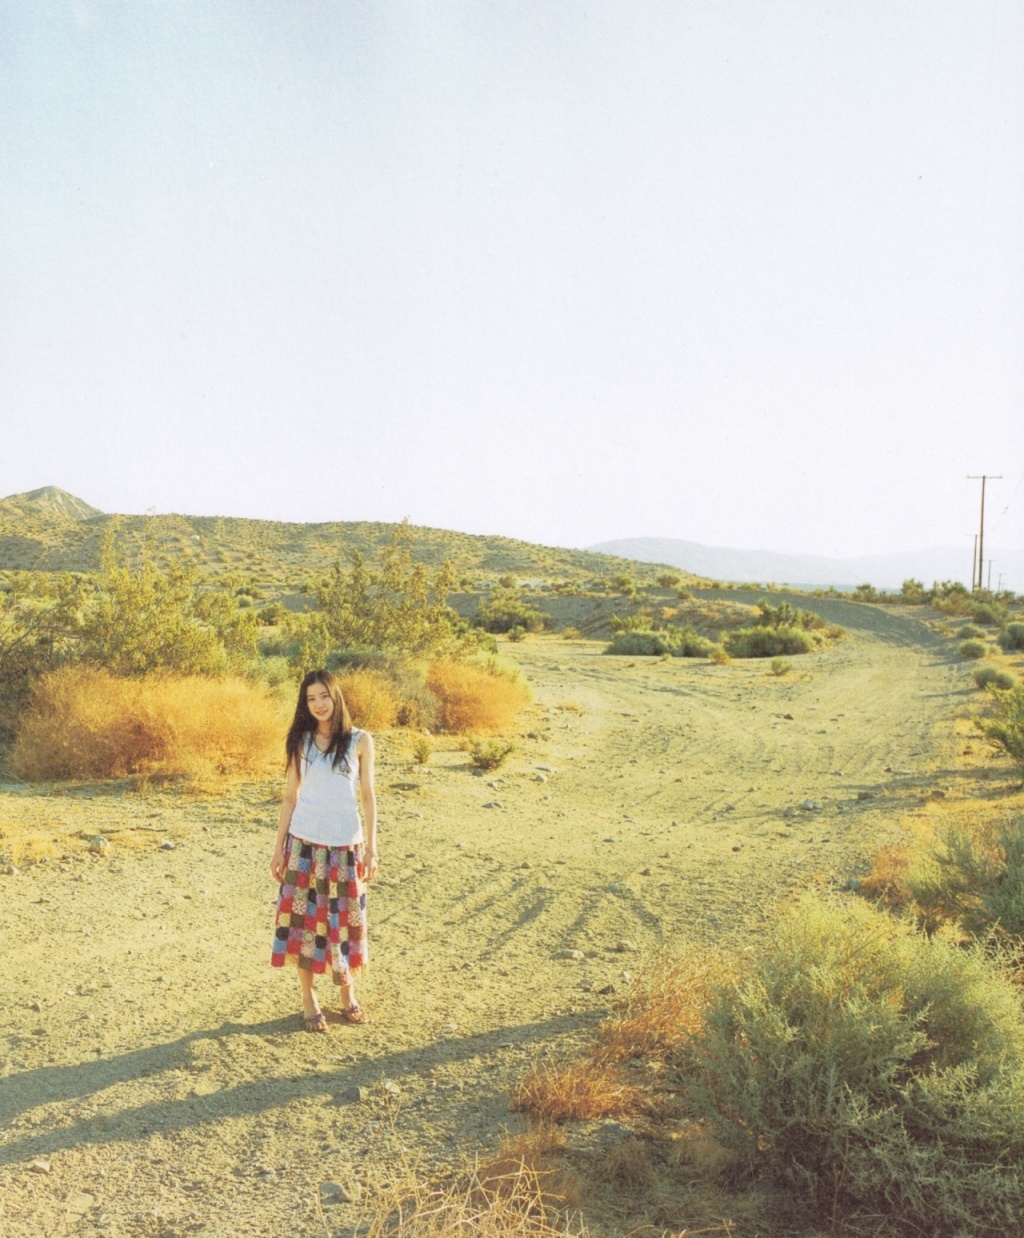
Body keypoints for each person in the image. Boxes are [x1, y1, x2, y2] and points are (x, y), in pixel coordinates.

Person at [270, 668, 378, 1032]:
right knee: (303, 924)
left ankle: (347, 993)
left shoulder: (360, 740)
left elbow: (368, 796)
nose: (319, 704)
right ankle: (308, 998)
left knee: (346, 923)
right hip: (304, 845)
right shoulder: (300, 741)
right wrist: (278, 849)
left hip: (347, 847)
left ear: (336, 697)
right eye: (311, 698)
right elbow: (290, 796)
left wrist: (372, 848)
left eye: (324, 696)